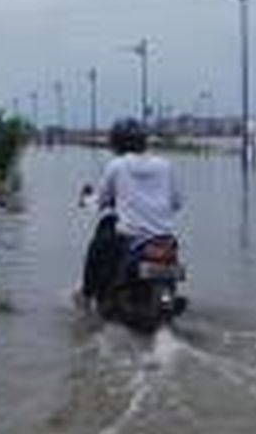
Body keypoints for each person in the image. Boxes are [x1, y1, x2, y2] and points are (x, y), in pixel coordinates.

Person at [76, 118, 183, 309]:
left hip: (131, 238)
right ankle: (165, 300)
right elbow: (176, 203)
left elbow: (100, 201)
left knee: (97, 245)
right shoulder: (165, 165)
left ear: (116, 143)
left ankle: (86, 295)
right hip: (165, 240)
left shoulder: (117, 165)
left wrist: (85, 199)